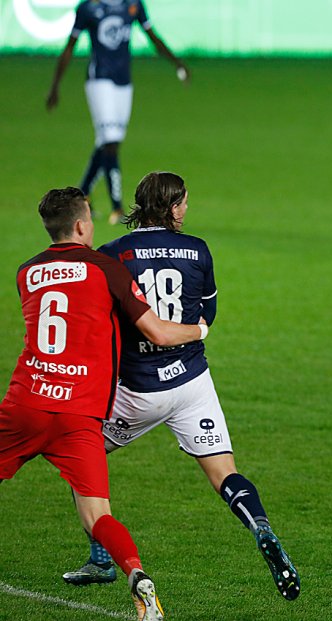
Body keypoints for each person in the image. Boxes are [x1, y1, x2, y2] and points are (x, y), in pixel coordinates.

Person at [55, 172, 300, 601]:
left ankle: (101, 558)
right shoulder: (198, 250)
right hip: (192, 383)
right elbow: (208, 315)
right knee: (225, 473)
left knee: (79, 457)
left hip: (138, 390)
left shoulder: (113, 254)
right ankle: (260, 525)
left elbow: (102, 322)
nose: (187, 208)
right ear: (172, 207)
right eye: (184, 202)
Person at [1, 187, 207, 620]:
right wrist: (200, 330)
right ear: (81, 225)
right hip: (80, 417)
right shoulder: (106, 268)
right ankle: (136, 575)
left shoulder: (26, 272)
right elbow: (158, 332)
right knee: (98, 516)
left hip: (27, 405)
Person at [46, 0, 189, 225]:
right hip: (99, 80)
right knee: (110, 141)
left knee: (108, 142)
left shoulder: (133, 4)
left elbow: (152, 37)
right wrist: (55, 85)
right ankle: (117, 207)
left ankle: (81, 197)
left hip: (124, 83)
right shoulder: (88, 8)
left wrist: (177, 63)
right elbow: (70, 46)